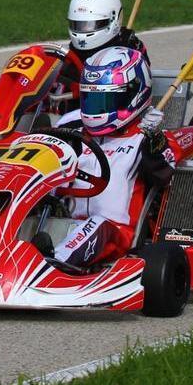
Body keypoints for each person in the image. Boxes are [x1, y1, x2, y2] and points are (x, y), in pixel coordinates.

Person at [44, 46, 183, 270]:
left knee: (95, 225)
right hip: (61, 223)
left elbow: (164, 173)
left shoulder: (146, 140)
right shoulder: (71, 129)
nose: (97, 108)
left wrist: (154, 139)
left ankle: (52, 267)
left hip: (114, 232)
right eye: (92, 99)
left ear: (133, 94)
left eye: (106, 100)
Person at [48, 0, 154, 123]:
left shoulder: (129, 51)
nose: (83, 31)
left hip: (109, 121)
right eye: (78, 25)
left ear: (113, 20)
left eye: (89, 25)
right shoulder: (67, 56)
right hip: (68, 120)